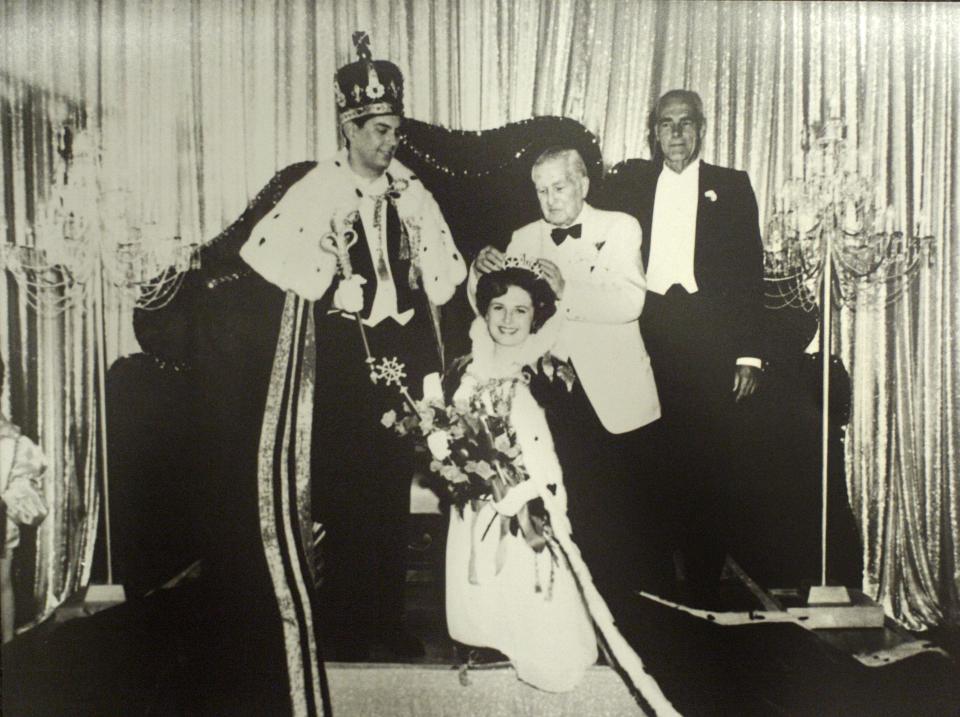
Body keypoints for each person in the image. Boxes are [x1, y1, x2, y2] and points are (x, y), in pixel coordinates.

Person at [134, 31, 465, 711]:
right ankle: (343, 624)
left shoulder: (412, 191)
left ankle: (386, 621)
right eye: (378, 130)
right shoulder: (317, 186)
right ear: (349, 128)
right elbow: (266, 259)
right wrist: (324, 286)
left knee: (388, 494)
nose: (389, 141)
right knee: (345, 493)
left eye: (395, 128)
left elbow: (439, 279)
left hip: (400, 356)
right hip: (342, 361)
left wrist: (430, 364)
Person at [470, 146, 663, 596]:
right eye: (541, 191)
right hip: (550, 399)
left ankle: (635, 618)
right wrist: (477, 277)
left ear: (583, 185)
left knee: (623, 520)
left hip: (614, 396)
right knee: (566, 510)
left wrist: (565, 287)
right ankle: (575, 610)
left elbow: (631, 302)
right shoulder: (522, 237)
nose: (550, 199)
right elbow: (497, 313)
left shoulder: (619, 227)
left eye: (559, 188)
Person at [603, 89, 765, 603]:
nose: (676, 133)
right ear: (653, 131)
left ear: (702, 129)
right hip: (645, 333)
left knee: (708, 463)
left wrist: (748, 353)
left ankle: (701, 586)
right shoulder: (628, 185)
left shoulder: (731, 186)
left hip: (708, 336)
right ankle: (652, 586)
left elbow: (749, 273)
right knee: (650, 459)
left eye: (686, 123)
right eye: (667, 123)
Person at [441, 265, 598, 692]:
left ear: (536, 316)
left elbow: (563, 438)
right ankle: (480, 638)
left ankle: (530, 634)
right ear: (485, 312)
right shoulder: (463, 367)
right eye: (498, 308)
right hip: (478, 493)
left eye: (520, 310)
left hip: (530, 492)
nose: (508, 320)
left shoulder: (548, 367)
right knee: (476, 565)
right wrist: (456, 461)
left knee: (526, 569)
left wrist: (529, 489)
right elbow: (450, 425)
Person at [0, 358, 48, 644]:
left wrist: (10, 500)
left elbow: (28, 493)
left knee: (1, 583)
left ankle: (7, 653)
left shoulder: (11, 441)